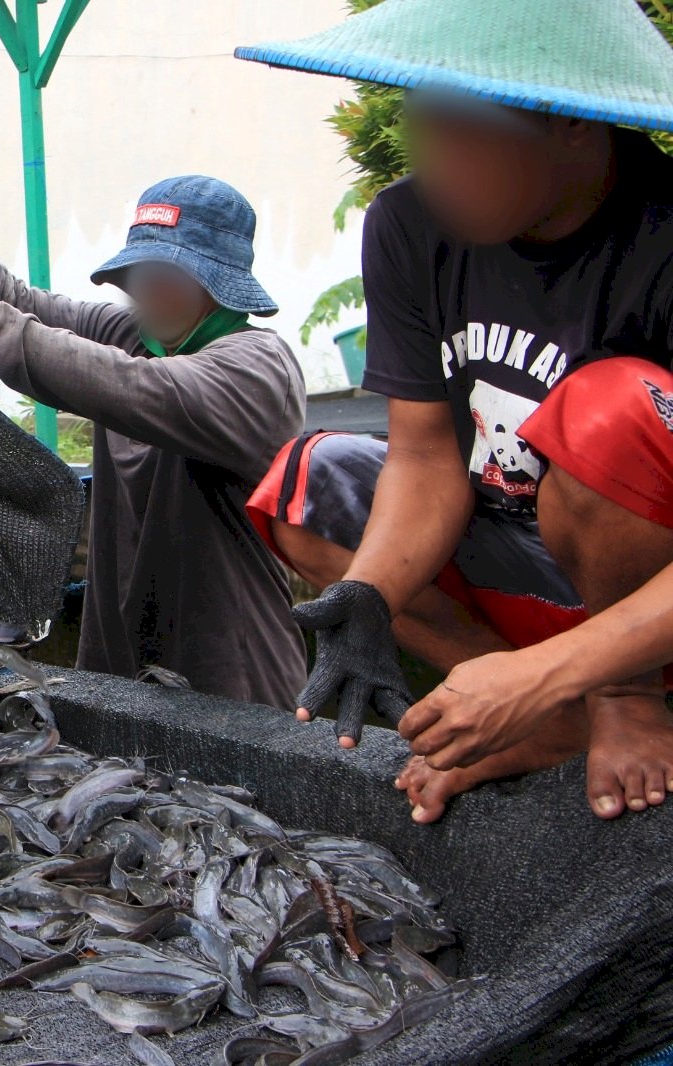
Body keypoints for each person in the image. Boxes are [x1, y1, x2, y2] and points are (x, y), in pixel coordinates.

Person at [238, 0, 673, 822]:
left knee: (609, 411)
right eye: (420, 130)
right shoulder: (407, 225)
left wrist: (566, 665)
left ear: (572, 123)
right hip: (511, 544)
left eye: (458, 131)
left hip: (642, 575)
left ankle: (620, 696)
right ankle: (547, 722)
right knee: (307, 485)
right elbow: (426, 457)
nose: (430, 165)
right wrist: (369, 594)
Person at [0, 176, 308, 707]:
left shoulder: (257, 368)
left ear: (218, 283)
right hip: (126, 663)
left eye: (170, 275)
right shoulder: (142, 335)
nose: (149, 291)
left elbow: (130, 387)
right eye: (142, 273)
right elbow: (34, 308)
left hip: (233, 675)